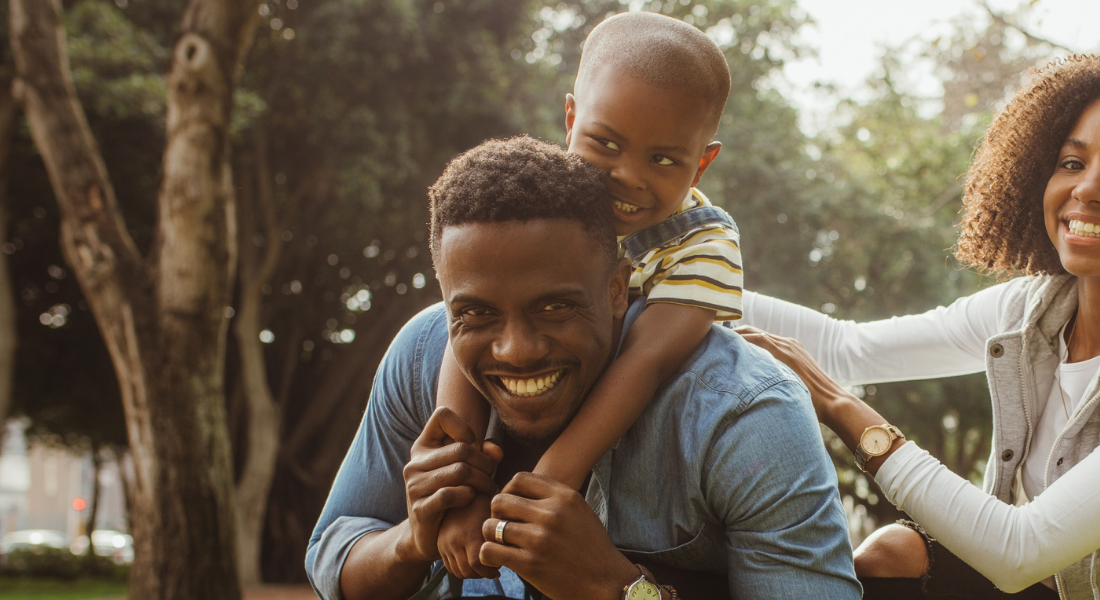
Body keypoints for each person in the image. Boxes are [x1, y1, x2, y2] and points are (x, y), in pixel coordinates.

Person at [735, 53, 1100, 599]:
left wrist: (843, 409)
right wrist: (679, 278)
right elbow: (847, 347)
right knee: (893, 554)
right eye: (1071, 162)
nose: (1088, 190)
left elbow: (1020, 551)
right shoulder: (1031, 312)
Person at [305, 137, 858, 600]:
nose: (516, 350)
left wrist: (614, 587)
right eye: (476, 313)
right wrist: (411, 541)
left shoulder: (745, 417)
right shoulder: (420, 356)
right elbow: (334, 552)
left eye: (554, 307)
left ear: (618, 288)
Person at [428, 11, 753, 581]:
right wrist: (458, 490)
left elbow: (645, 362)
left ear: (703, 159)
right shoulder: (537, 203)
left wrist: (546, 485)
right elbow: (469, 331)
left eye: (663, 159)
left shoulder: (705, 245)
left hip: (634, 472)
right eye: (605, 143)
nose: (626, 176)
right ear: (571, 118)